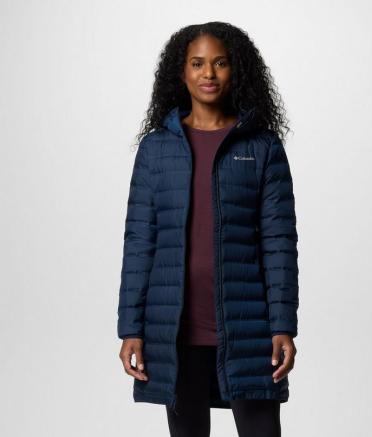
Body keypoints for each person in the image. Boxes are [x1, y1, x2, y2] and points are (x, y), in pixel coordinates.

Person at [117, 21, 299, 437]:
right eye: (197, 63)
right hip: (174, 329)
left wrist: (283, 324)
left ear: (237, 70)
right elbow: (139, 241)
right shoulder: (155, 149)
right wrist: (131, 328)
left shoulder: (261, 147)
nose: (208, 73)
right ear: (180, 73)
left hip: (249, 326)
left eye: (220, 63)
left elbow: (279, 243)